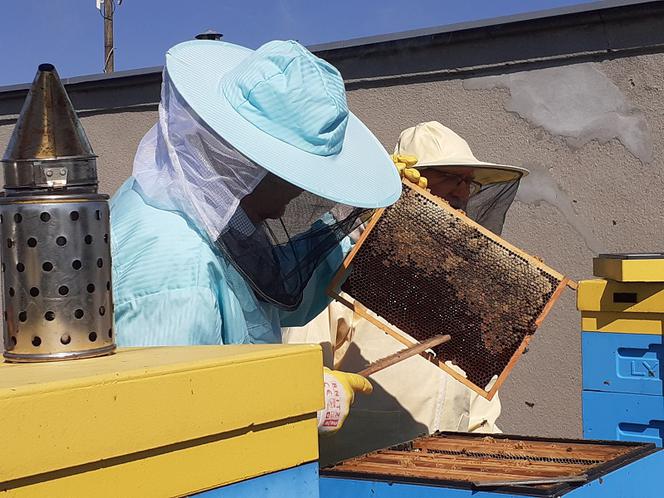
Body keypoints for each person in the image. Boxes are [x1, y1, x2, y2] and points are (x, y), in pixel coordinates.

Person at [109, 39, 403, 434]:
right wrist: (298, 398)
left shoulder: (187, 203)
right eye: (297, 176)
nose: (303, 192)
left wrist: (361, 233)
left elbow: (272, 296)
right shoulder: (179, 268)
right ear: (250, 163)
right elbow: (161, 422)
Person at [282, 121, 529, 463]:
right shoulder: (345, 273)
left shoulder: (471, 297)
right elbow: (295, 386)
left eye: (468, 182)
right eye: (449, 177)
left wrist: (499, 461)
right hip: (354, 478)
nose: (461, 193)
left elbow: (477, 413)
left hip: (445, 477)